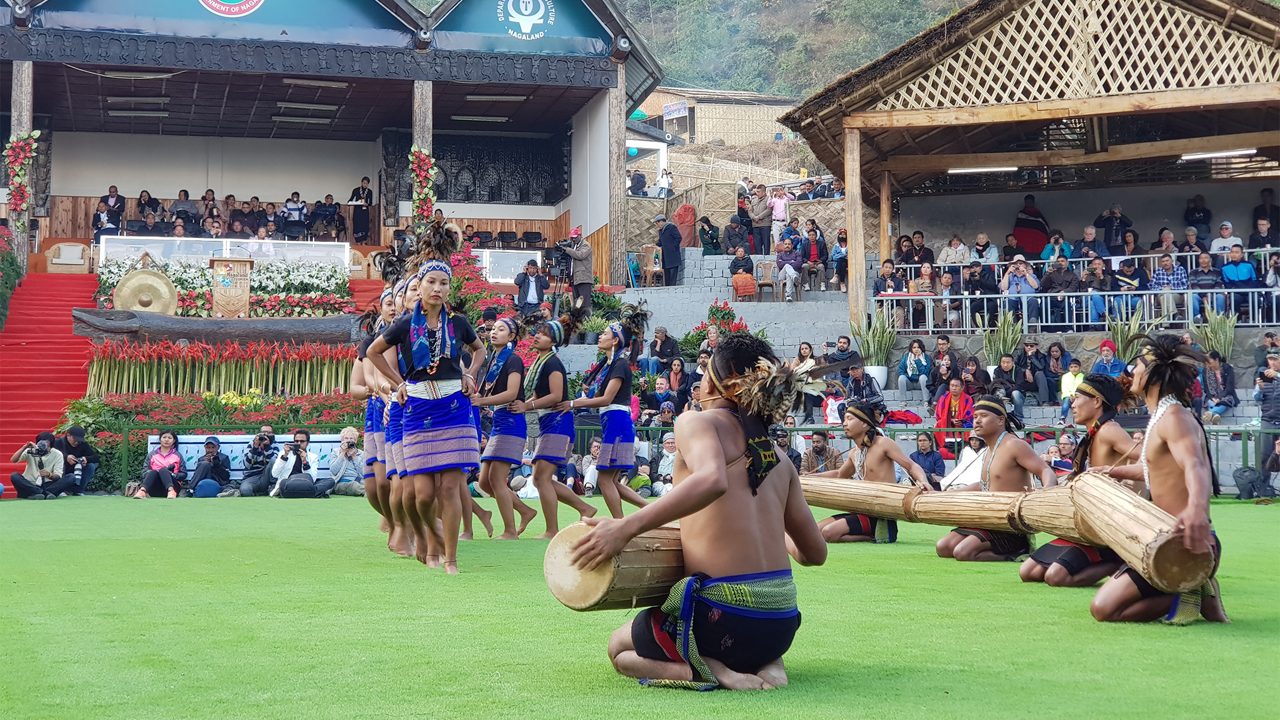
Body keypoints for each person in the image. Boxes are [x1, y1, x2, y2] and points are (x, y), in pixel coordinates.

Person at [573, 331, 827, 691]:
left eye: (705, 371)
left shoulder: (697, 422)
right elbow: (815, 553)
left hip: (724, 621)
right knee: (751, 634)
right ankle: (768, 663)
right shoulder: (781, 459)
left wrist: (625, 527)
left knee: (618, 650)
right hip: (781, 624)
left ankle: (712, 670)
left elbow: (712, 480)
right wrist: (771, 527)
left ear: (716, 384)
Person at [367, 224, 486, 573]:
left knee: (450, 488)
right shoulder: (404, 324)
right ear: (418, 286)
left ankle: (449, 557)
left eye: (443, 283)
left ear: (450, 288)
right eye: (431, 282)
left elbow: (478, 352)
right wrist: (397, 382)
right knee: (421, 494)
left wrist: (470, 374)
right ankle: (424, 534)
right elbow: (374, 352)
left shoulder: (459, 323)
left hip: (453, 408)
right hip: (417, 408)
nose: (437, 288)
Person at [1089, 335, 1227, 624]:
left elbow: (1196, 466)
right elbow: (1155, 470)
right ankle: (1193, 588)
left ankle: (1193, 585)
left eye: (1134, 366)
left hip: (1186, 540)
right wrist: (1110, 471)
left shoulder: (1174, 417)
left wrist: (1197, 511)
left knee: (1104, 609)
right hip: (1159, 534)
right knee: (1104, 609)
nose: (1130, 373)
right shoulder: (1160, 416)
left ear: (1151, 373)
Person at [1021, 375, 1135, 587]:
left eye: (1077, 398)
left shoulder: (1110, 430)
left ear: (1096, 402)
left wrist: (1117, 476)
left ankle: (1116, 561)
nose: (1072, 404)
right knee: (1028, 571)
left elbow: (1148, 462)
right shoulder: (1094, 433)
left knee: (1056, 577)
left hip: (1102, 528)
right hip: (1084, 524)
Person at [935, 397, 1057, 562]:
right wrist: (943, 495)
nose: (977, 421)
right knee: (943, 547)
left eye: (983, 416)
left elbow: (1045, 470)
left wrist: (1046, 491)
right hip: (988, 518)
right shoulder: (988, 449)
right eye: (975, 416)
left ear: (1001, 420)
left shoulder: (1014, 444)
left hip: (1009, 525)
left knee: (963, 552)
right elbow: (985, 485)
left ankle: (1020, 550)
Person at [510, 307, 597, 537]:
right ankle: (584, 507)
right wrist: (525, 404)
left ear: (553, 341)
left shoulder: (552, 363)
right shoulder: (542, 362)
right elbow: (540, 395)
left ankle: (552, 529)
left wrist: (526, 406)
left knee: (540, 477)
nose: (537, 335)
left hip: (558, 423)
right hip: (551, 423)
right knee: (541, 477)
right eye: (538, 332)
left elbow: (557, 396)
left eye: (544, 334)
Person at [560, 307, 652, 519]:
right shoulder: (611, 363)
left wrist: (573, 403)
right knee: (609, 480)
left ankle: (620, 523)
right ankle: (649, 510)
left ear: (614, 341)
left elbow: (607, 399)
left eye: (604, 333)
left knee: (604, 479)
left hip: (617, 423)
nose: (600, 335)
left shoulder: (619, 364)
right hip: (614, 423)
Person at [815, 403, 931, 544]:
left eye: (849, 419)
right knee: (817, 530)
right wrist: (804, 478)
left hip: (880, 513)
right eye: (844, 419)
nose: (844, 424)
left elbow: (911, 465)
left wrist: (923, 480)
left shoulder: (883, 444)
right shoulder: (854, 453)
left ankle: (873, 535)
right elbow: (839, 474)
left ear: (864, 424)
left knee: (828, 533)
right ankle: (869, 534)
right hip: (862, 509)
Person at [473, 317, 538, 539]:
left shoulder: (513, 360)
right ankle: (524, 510)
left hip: (510, 422)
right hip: (500, 421)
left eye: (501, 330)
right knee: (484, 481)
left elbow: (512, 393)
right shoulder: (494, 359)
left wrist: (482, 402)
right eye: (493, 329)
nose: (494, 332)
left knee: (497, 480)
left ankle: (510, 530)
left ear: (511, 337)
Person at [8, 432, 72, 499]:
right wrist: (24, 447)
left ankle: (35, 494)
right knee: (14, 476)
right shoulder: (31, 450)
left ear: (51, 443)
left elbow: (58, 476)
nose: (43, 444)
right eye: (41, 442)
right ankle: (44, 493)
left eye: (46, 442)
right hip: (30, 483)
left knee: (71, 477)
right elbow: (13, 460)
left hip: (47, 484)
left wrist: (49, 474)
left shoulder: (57, 454)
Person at [270, 429, 328, 496]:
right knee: (283, 482)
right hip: (288, 484)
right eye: (296, 441)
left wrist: (305, 462)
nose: (299, 443)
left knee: (330, 481)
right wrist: (284, 457)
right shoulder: (284, 453)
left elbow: (312, 479)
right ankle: (312, 493)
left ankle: (306, 492)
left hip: (305, 484)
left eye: (302, 441)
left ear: (307, 443)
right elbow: (275, 474)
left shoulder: (313, 457)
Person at [136, 430, 186, 499]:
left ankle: (171, 491)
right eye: (164, 437)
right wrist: (156, 472)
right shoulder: (152, 455)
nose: (166, 440)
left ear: (174, 440)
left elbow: (183, 474)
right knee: (154, 471)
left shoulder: (177, 455)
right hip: (155, 488)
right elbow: (144, 472)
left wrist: (171, 474)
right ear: (160, 439)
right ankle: (142, 491)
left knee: (163, 470)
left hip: (174, 487)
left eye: (169, 438)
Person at [1254, 348, 1280, 473]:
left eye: (1275, 360)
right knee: (1264, 457)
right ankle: (1264, 488)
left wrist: (1278, 376)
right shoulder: (1264, 375)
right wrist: (1260, 388)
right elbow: (1257, 399)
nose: (1272, 363)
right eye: (1270, 360)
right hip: (1267, 420)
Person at [934, 377, 973, 458]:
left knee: (969, 428)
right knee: (938, 425)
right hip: (948, 423)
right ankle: (944, 446)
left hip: (962, 423)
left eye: (956, 386)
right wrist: (951, 420)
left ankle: (964, 447)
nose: (954, 388)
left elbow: (970, 414)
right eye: (952, 385)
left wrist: (961, 421)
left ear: (962, 387)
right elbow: (939, 414)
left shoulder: (967, 399)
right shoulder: (944, 398)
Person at [54, 425, 99, 495]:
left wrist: (86, 459)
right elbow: (52, 455)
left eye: (79, 441)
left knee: (91, 466)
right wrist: (66, 457)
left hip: (78, 470)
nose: (77, 442)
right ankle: (61, 489)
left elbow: (96, 457)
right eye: (75, 439)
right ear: (68, 435)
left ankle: (78, 490)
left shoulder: (83, 444)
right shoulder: (58, 443)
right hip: (63, 471)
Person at [238, 425, 280, 497]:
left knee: (274, 460)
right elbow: (247, 465)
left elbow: (274, 463)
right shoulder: (251, 444)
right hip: (252, 477)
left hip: (267, 477)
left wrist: (267, 447)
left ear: (273, 434)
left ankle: (272, 486)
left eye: (269, 433)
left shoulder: (274, 445)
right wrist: (255, 448)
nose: (266, 435)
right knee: (245, 491)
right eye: (263, 432)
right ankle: (260, 493)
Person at [561, 226, 595, 314]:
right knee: (577, 304)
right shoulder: (575, 245)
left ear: (580, 236)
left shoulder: (585, 245)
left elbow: (580, 255)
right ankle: (579, 321)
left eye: (575, 238)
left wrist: (567, 250)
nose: (573, 240)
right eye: (572, 238)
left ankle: (586, 321)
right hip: (576, 279)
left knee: (584, 303)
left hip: (584, 279)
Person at [1201, 351, 1237, 425]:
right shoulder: (1205, 371)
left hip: (1225, 394)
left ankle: (1211, 413)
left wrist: (1219, 397)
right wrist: (1212, 397)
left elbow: (1230, 388)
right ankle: (1214, 416)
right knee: (1210, 402)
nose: (1207, 363)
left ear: (1216, 360)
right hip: (1212, 396)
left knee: (1225, 401)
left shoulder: (1227, 368)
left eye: (1209, 360)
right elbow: (1206, 389)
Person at [1013, 339, 1052, 406]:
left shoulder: (1041, 356)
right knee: (1020, 373)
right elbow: (1015, 367)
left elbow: (1041, 367)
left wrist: (1031, 357)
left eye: (1031, 346)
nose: (1029, 347)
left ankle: (1044, 401)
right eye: (1026, 345)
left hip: (1035, 381)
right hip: (1023, 380)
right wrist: (1025, 371)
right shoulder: (1020, 355)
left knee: (1040, 374)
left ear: (1036, 347)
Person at [329, 426, 366, 496]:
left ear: (355, 441)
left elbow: (363, 473)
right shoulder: (335, 452)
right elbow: (333, 471)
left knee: (370, 485)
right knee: (354, 486)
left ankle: (372, 492)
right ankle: (370, 493)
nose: (348, 440)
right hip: (340, 483)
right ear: (342, 440)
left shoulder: (361, 454)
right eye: (346, 438)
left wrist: (354, 457)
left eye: (351, 438)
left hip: (359, 481)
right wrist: (342, 453)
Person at [790, 342, 822, 424]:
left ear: (810, 350)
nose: (804, 350)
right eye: (802, 349)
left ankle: (809, 417)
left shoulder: (816, 360)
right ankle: (810, 417)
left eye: (806, 348)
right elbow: (792, 372)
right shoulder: (797, 360)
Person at [1189, 251, 1226, 321]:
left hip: (1213, 295)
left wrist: (1210, 295)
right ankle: (1197, 318)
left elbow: (1218, 285)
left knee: (1220, 297)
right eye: (1201, 258)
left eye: (1206, 258)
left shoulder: (1217, 272)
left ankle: (1220, 318)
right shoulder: (1193, 272)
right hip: (1199, 296)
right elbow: (1194, 286)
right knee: (1193, 296)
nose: (1203, 260)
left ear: (1210, 260)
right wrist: (1203, 296)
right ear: (1198, 260)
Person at [897, 339, 932, 404]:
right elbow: (900, 370)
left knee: (923, 377)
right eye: (914, 347)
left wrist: (918, 360)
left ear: (921, 348)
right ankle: (903, 401)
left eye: (918, 347)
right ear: (911, 348)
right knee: (901, 377)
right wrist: (909, 376)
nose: (916, 349)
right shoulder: (906, 357)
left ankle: (926, 401)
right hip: (909, 383)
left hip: (920, 383)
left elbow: (925, 373)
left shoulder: (926, 358)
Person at [655, 215, 683, 286]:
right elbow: (661, 242)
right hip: (665, 256)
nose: (657, 225)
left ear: (661, 221)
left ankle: (672, 290)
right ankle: (667, 289)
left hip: (673, 255)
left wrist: (673, 247)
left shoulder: (671, 227)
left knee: (672, 275)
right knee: (667, 275)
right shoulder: (661, 231)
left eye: (657, 223)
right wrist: (655, 245)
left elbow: (678, 237)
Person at [348, 176, 374, 242]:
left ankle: (364, 242)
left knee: (364, 226)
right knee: (357, 226)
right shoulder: (356, 190)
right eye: (364, 183)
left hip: (365, 212)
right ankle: (358, 242)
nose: (365, 185)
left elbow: (370, 203)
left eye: (367, 183)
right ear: (361, 182)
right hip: (357, 211)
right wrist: (356, 202)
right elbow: (350, 200)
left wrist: (366, 204)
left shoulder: (369, 192)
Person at [1059, 358, 1085, 423]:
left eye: (1076, 367)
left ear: (1080, 368)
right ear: (1069, 368)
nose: (1073, 369)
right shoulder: (1065, 376)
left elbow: (1083, 388)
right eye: (1071, 367)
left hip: (1079, 396)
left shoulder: (1083, 377)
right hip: (1068, 396)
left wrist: (1076, 396)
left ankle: (1082, 419)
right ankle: (1062, 418)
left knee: (1084, 403)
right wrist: (1071, 395)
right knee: (1066, 402)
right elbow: (1064, 388)